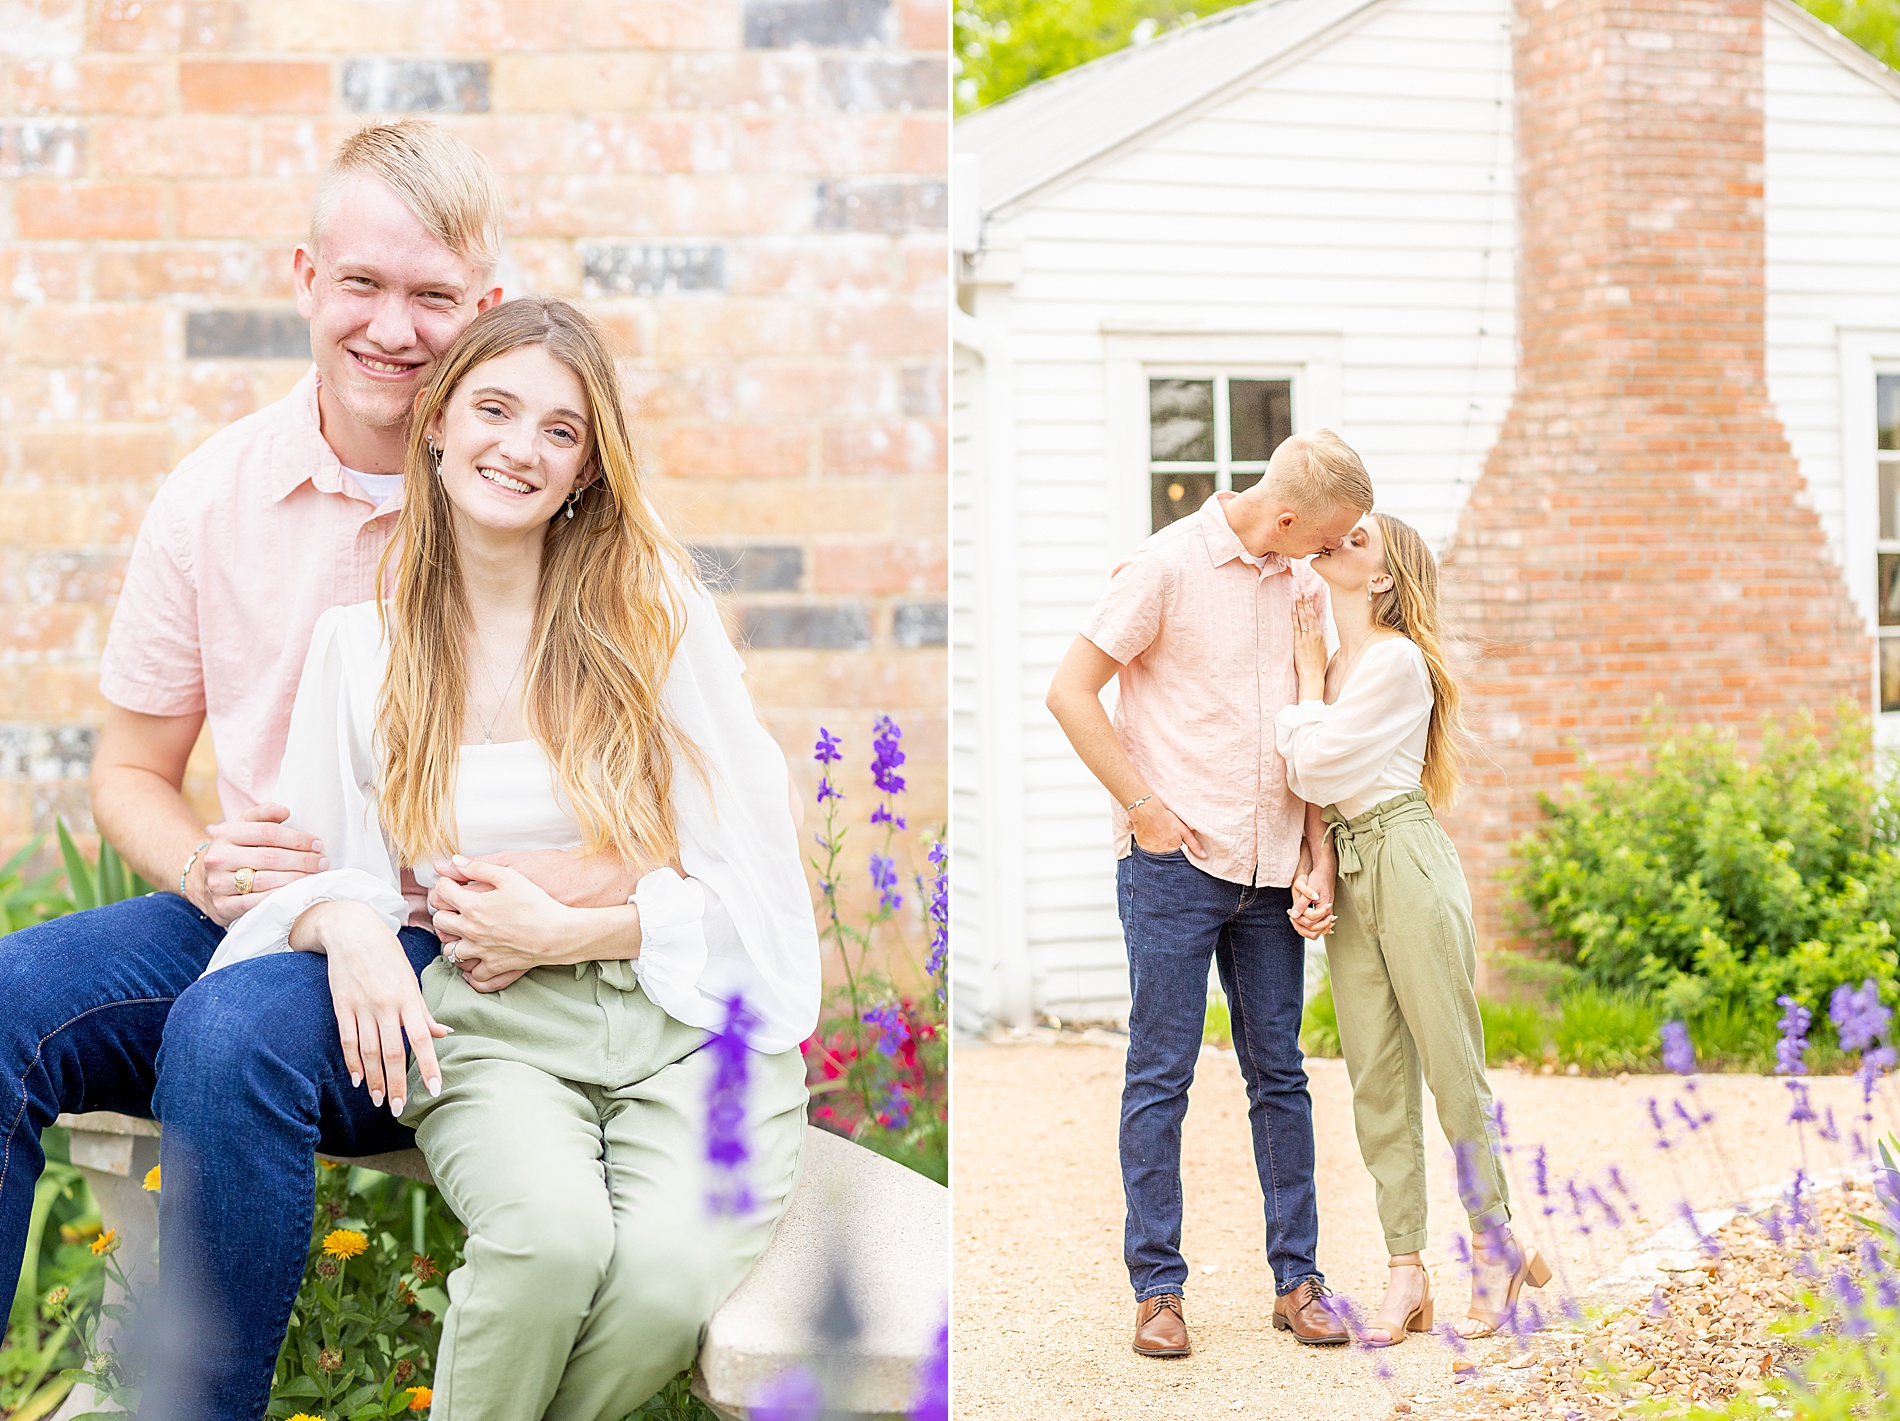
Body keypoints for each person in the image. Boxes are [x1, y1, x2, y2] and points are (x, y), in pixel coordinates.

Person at [0, 122, 639, 1419]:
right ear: (305, 277)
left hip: (454, 941)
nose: (394, 330)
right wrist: (197, 859)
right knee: (10, 997)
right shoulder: (211, 495)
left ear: (487, 305)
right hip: (255, 913)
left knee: (231, 1038)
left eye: (434, 299)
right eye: (363, 284)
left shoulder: (521, 480)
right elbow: (131, 764)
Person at [202, 295, 818, 1418]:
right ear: (436, 422)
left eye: (559, 429)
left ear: (586, 467)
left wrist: (580, 921)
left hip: (689, 1020)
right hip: (497, 1029)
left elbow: (756, 863)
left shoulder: (652, 617)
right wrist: (330, 915)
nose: (519, 447)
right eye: (494, 407)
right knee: (546, 1243)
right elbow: (324, 864)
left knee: (663, 1282)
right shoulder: (364, 648)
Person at [1045, 430, 1375, 1358]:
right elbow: (1071, 691)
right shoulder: (1163, 568)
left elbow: (1308, 729)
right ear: (1284, 517)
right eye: (1325, 536)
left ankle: (1298, 1280)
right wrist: (1145, 810)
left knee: (1282, 1075)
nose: (1328, 555)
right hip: (1175, 868)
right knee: (1162, 1075)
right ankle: (1158, 1291)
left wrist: (1316, 856)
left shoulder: (1303, 583)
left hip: (1274, 876)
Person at [1276, 512, 1551, 1345]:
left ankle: (1496, 1241)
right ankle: (1406, 1268)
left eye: (1357, 540)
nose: (1334, 541)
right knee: (1375, 1079)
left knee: (1450, 1064)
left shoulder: (1396, 664)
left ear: (1384, 578)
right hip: (1354, 866)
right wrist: (1315, 865)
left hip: (1407, 856)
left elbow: (1311, 763)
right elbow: (1316, 792)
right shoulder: (1333, 663)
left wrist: (1304, 687)